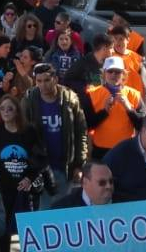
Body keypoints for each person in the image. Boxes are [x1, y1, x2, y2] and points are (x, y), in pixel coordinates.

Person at [0, 95, 50, 249]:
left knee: (28, 230)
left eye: (10, 108)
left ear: (17, 112)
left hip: (26, 189)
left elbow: (41, 158)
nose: (6, 112)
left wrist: (29, 178)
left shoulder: (29, 132)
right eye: (2, 108)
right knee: (4, 230)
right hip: (5, 189)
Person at [21, 63, 87, 206]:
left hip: (64, 165)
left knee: (63, 209)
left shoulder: (70, 98)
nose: (43, 85)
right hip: (39, 165)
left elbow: (81, 132)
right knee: (41, 209)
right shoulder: (29, 99)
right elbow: (22, 132)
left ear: (55, 79)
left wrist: (79, 164)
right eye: (39, 81)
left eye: (46, 80)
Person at [83, 56, 146, 158]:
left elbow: (143, 126)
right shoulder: (92, 94)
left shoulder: (134, 95)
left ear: (123, 74)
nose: (113, 74)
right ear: (104, 73)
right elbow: (86, 124)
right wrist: (104, 112)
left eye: (117, 72)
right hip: (101, 150)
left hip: (126, 149)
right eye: (110, 71)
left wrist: (129, 109)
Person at [50, 160, 115, 208]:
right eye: (102, 182)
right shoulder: (61, 209)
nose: (108, 186)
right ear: (85, 182)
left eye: (111, 181)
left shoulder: (122, 202)